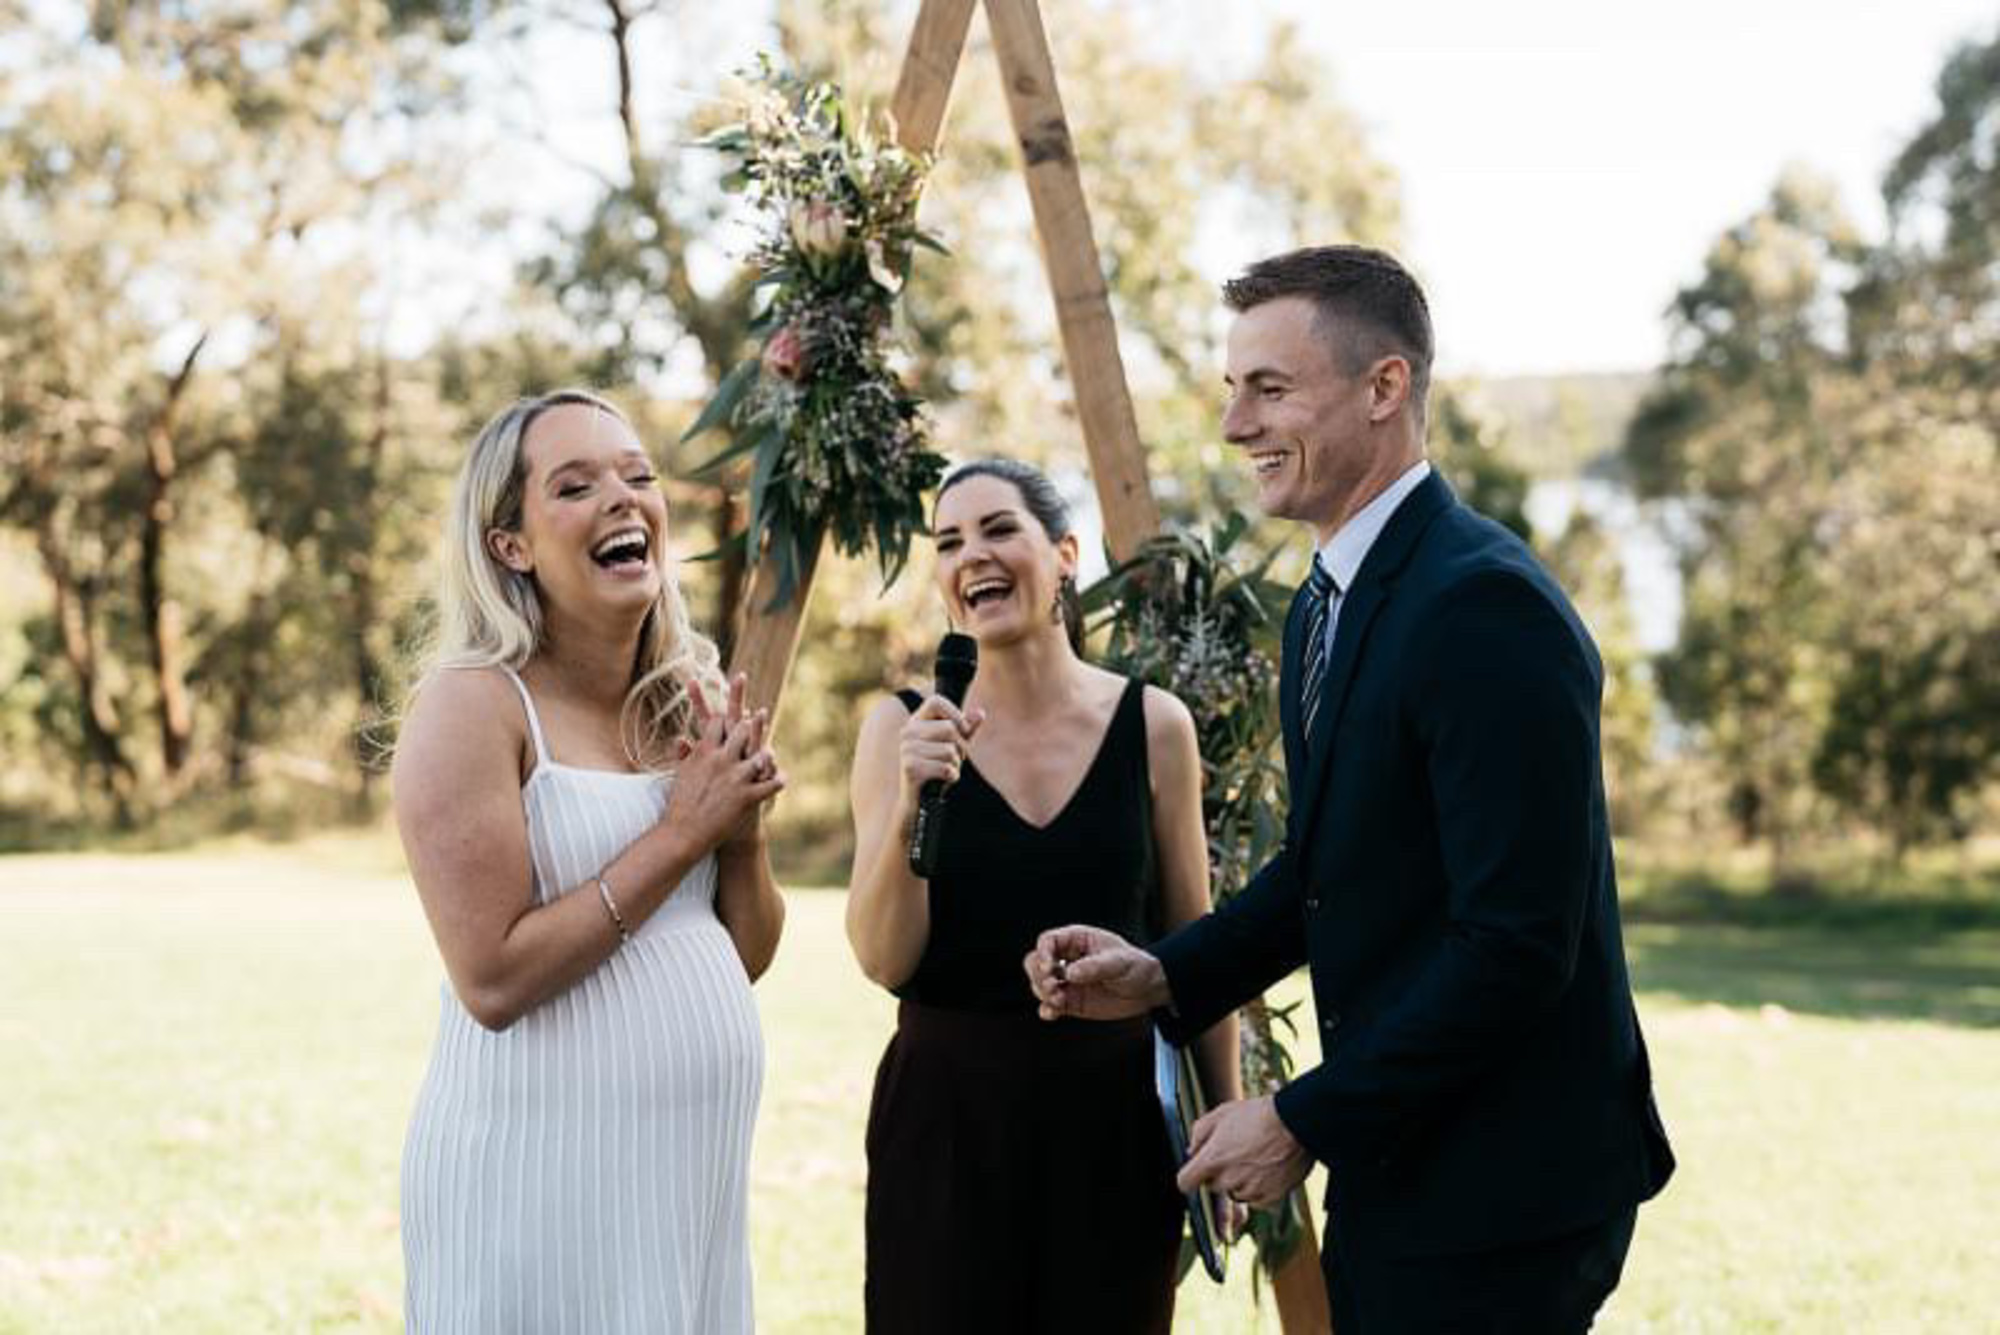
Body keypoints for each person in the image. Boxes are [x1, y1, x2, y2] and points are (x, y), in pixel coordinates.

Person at [1026, 247, 1675, 1333]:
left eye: (1268, 389)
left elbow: (1515, 942)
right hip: (1408, 1164)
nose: (1234, 426)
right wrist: (1162, 974)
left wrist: (1299, 1117)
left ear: (1383, 390)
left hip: (1506, 1192)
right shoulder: (1326, 604)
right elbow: (1332, 868)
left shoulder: (1482, 606)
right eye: (1232, 391)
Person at [392, 389, 786, 1334]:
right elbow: (492, 977)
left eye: (639, 476)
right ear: (510, 544)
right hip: (540, 1183)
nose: (623, 497)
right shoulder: (472, 706)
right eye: (575, 485)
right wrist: (682, 833)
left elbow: (748, 953)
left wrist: (742, 830)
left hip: (684, 1192)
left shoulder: (685, 696)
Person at [844, 458, 1240, 1334]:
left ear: (1063, 554)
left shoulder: (1156, 725)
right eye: (948, 541)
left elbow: (1197, 945)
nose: (970, 555)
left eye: (997, 529)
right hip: (946, 1129)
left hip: (1114, 1132)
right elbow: (882, 958)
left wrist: (1222, 1122)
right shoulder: (896, 729)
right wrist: (917, 793)